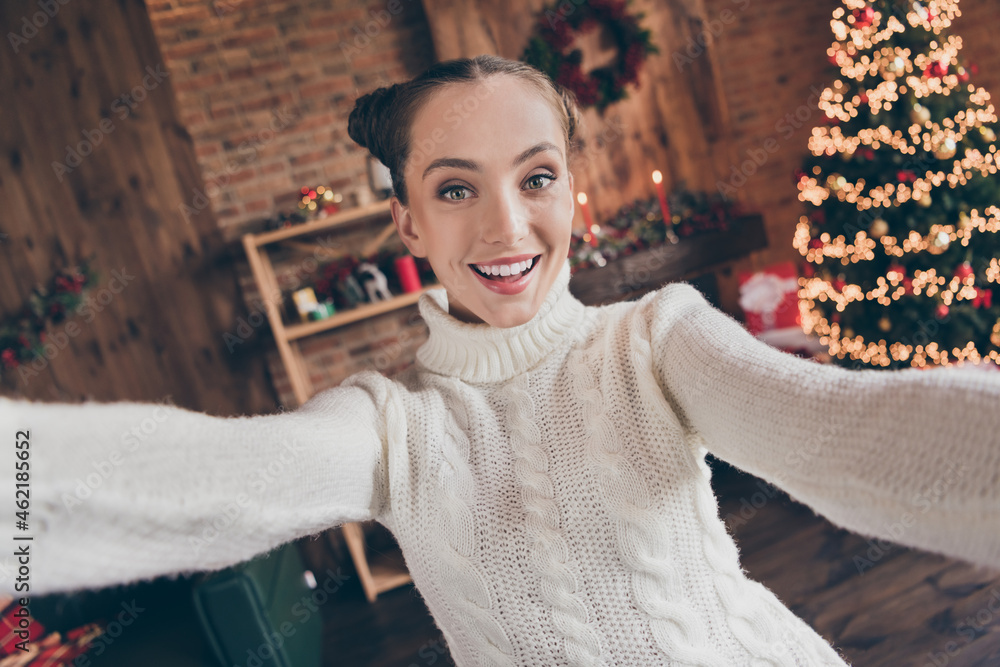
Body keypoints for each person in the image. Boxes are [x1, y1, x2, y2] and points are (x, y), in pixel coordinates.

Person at [2, 54, 999, 666]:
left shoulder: (654, 339)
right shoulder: (390, 424)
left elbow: (844, 432)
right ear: (406, 222)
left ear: (572, 188)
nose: (507, 225)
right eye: (454, 189)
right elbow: (217, 485)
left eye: (535, 177)